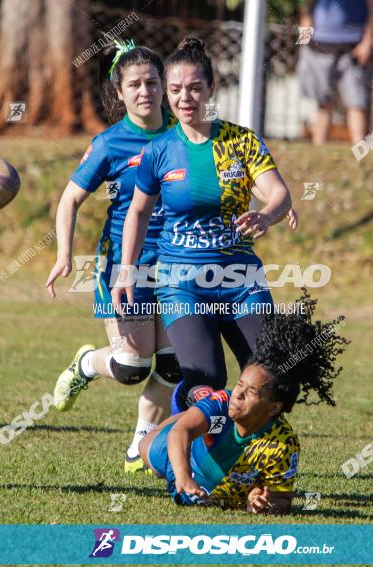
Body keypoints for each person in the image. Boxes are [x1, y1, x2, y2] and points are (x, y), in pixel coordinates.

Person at [113, 37, 294, 411]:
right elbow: (139, 213)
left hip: (241, 281)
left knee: (272, 376)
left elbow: (278, 194)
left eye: (195, 88)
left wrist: (266, 214)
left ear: (211, 88)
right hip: (183, 285)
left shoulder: (242, 142)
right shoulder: (159, 151)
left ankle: (253, 453)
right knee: (207, 382)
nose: (185, 99)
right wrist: (126, 271)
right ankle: (191, 452)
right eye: (176, 90)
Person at [45, 41, 182, 474]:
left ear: (165, 87)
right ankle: (86, 363)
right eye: (135, 84)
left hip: (181, 260)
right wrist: (65, 253)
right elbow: (69, 200)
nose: (146, 91)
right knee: (131, 367)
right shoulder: (110, 143)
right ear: (119, 93)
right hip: (126, 264)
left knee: (176, 363)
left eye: (153, 82)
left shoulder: (184, 134)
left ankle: (140, 443)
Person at [139, 292, 346, 512]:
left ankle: (195, 415)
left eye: (251, 393)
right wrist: (183, 476)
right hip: (178, 455)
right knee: (153, 453)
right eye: (239, 385)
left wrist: (262, 504)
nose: (238, 394)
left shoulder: (281, 444)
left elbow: (282, 500)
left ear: (274, 407)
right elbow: (179, 433)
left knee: (205, 481)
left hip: (213, 483)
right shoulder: (223, 402)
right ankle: (188, 412)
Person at [297, 0, 373, 145]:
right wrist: (304, 45)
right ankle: (318, 149)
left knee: (356, 104)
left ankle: (360, 152)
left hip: (354, 47)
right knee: (323, 103)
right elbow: (307, 9)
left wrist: (367, 42)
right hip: (319, 46)